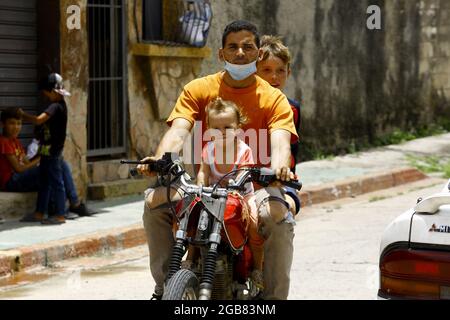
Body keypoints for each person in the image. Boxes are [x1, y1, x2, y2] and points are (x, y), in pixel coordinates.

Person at [139, 20, 298, 300]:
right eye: (232, 47)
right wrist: (160, 158)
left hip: (255, 188)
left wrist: (279, 167)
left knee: (278, 219)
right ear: (220, 53)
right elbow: (178, 129)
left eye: (247, 47)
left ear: (258, 53)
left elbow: (281, 141)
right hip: (202, 186)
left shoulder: (273, 98)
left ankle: (272, 297)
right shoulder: (198, 89)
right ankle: (165, 289)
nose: (240, 53)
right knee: (153, 203)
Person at [197, 98, 265, 289]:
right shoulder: (208, 150)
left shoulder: (244, 150)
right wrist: (200, 186)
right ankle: (191, 259)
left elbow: (244, 171)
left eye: (228, 127)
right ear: (209, 129)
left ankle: (257, 269)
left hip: (242, 196)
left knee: (253, 224)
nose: (222, 132)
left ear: (238, 128)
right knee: (195, 219)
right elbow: (203, 172)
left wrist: (236, 185)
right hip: (214, 196)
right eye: (216, 128)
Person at [0, 109, 93, 222]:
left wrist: (41, 154)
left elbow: (27, 163)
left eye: (19, 123)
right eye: (12, 123)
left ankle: (68, 205)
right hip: (11, 181)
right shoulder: (3, 142)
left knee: (59, 164)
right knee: (53, 166)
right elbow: (19, 169)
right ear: (2, 124)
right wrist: (43, 158)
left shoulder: (15, 141)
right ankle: (72, 204)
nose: (16, 127)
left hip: (20, 177)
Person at [18, 73, 82, 224]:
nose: (46, 96)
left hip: (53, 153)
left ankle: (60, 215)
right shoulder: (57, 105)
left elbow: (39, 120)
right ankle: (39, 213)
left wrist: (23, 115)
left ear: (53, 91)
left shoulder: (56, 106)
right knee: (44, 182)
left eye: (46, 93)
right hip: (46, 152)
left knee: (57, 182)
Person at [257, 35, 302, 216]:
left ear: (288, 73)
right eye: (266, 70)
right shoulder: (244, 106)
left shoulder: (293, 108)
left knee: (284, 210)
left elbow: (291, 152)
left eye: (280, 70)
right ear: (255, 71)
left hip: (281, 181)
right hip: (245, 180)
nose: (274, 77)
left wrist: (287, 177)